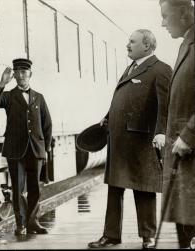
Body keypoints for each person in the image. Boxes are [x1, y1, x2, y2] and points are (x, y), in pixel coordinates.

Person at [88, 29, 172, 249]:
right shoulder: (130, 69)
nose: (127, 45)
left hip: (141, 141)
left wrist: (161, 132)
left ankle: (148, 236)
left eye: (132, 42)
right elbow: (122, 99)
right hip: (119, 139)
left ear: (147, 46)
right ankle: (111, 235)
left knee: (143, 187)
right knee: (114, 187)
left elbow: (165, 106)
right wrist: (107, 118)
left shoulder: (161, 70)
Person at [0, 59, 52, 235]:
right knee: (18, 189)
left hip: (36, 149)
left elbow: (47, 124)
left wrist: (46, 149)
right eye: (18, 72)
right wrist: (2, 83)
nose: (21, 75)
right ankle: (20, 224)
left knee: (35, 189)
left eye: (24, 72)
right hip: (15, 149)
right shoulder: (8, 96)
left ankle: (33, 222)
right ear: (13, 75)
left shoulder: (39, 97)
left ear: (30, 74)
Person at [159, 0, 195, 248]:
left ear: (183, 12)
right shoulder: (186, 43)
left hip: (189, 151)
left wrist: (189, 135)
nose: (162, 23)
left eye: (165, 16)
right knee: (185, 228)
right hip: (183, 158)